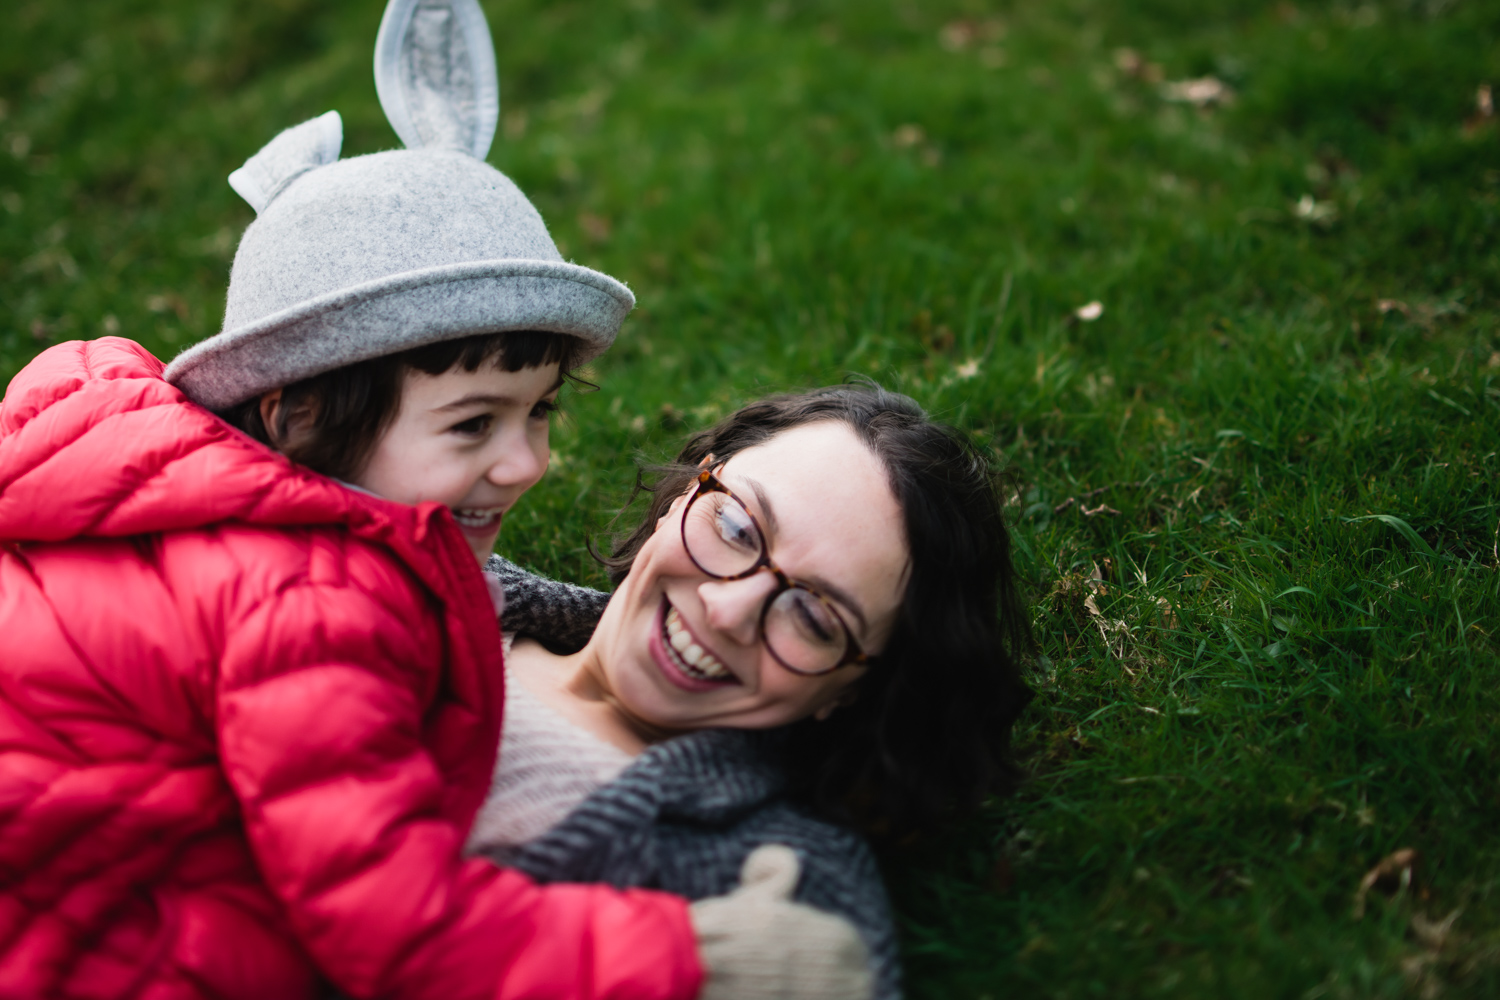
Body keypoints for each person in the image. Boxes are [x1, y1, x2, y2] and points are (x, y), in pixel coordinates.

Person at [0, 0, 872, 997]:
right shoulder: (314, 603)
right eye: (473, 425)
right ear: (298, 415)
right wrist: (679, 954)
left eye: (539, 411)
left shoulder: (167, 494)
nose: (528, 461)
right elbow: (389, 921)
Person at [477, 383, 1037, 1000]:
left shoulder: (791, 896)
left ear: (855, 686)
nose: (727, 610)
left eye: (816, 619)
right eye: (739, 526)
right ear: (691, 491)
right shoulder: (422, 573)